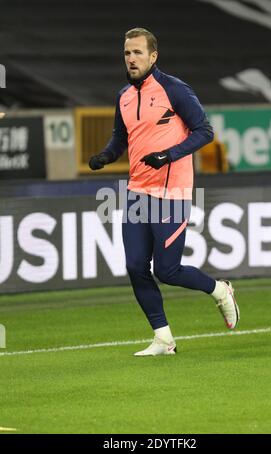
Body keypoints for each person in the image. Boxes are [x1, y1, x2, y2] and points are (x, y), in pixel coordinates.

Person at [89, 28, 240, 356]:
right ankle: (163, 339)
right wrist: (106, 155)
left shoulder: (174, 89)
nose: (131, 58)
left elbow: (205, 131)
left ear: (153, 56)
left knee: (167, 270)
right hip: (136, 191)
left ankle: (220, 291)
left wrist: (168, 155)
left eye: (137, 53)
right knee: (135, 266)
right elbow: (120, 138)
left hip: (171, 192)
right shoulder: (123, 96)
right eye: (127, 53)